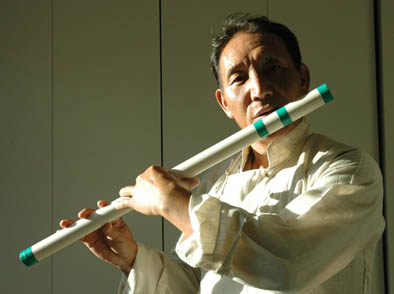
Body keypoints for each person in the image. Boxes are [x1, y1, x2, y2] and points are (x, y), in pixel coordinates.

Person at [60, 13, 385, 293]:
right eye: (239, 78)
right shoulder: (214, 182)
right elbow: (200, 285)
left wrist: (172, 200)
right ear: (224, 102)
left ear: (303, 79)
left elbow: (291, 261)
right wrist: (132, 260)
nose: (259, 89)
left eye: (272, 67)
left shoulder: (348, 169)